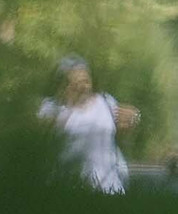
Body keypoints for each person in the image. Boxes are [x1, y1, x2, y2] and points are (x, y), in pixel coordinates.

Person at [38, 55, 140, 194]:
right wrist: (71, 104)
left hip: (111, 188)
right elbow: (46, 137)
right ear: (62, 85)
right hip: (69, 189)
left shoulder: (105, 101)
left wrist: (133, 119)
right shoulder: (50, 108)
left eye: (86, 81)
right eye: (75, 83)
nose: (83, 87)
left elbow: (120, 134)